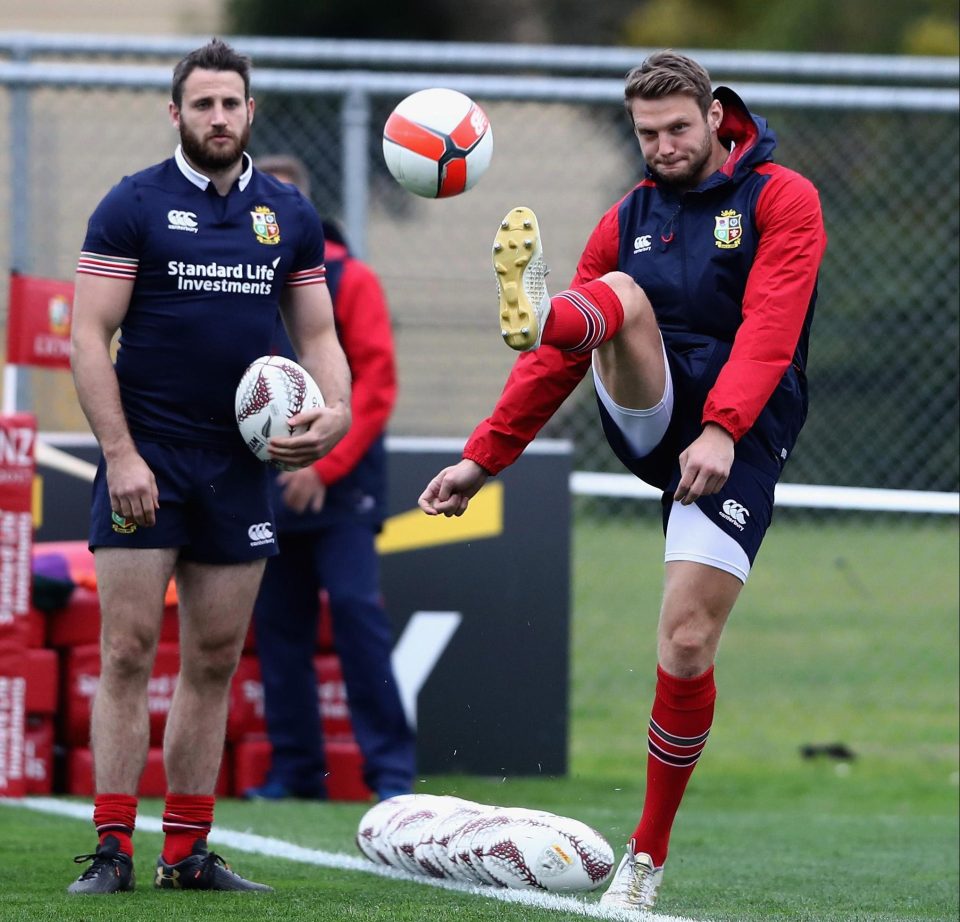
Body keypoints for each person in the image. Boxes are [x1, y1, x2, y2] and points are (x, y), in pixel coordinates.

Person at [418, 50, 826, 913]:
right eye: (647, 134)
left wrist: (722, 429)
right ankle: (545, 314)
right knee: (619, 298)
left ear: (718, 115)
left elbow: (773, 326)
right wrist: (483, 458)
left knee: (684, 643)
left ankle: (646, 858)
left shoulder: (782, 198)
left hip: (740, 432)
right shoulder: (627, 216)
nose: (664, 146)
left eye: (679, 128)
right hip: (649, 406)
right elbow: (561, 369)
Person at [67, 39, 351, 895]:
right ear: (176, 113)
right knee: (125, 649)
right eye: (203, 105)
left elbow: (319, 337)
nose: (218, 118)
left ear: (251, 111)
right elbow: (88, 335)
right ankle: (111, 848)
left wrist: (331, 417)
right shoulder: (133, 204)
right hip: (146, 459)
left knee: (216, 658)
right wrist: (119, 454)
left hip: (240, 470)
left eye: (231, 104)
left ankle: (185, 853)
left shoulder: (287, 214)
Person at [243, 153, 415, 803]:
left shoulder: (352, 280)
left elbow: (377, 385)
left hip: (343, 491)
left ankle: (392, 774)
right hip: (268, 489)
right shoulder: (243, 280)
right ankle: (296, 771)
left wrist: (324, 464)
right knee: (279, 628)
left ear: (306, 209)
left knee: (354, 613)